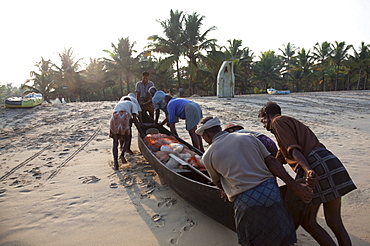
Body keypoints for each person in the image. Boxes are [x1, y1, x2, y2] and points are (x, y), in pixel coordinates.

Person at [195, 116, 313, 246]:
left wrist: (224, 190)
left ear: (206, 134)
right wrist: (295, 185)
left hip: (246, 201)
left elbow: (217, 181)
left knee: (252, 240)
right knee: (282, 236)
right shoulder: (248, 137)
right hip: (271, 192)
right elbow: (272, 162)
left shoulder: (208, 155)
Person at [258, 101, 357, 246]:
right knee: (334, 222)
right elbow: (281, 156)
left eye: (262, 121)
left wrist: (308, 169)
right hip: (328, 160)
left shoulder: (277, 122)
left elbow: (293, 149)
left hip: (314, 165)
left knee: (308, 221)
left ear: (267, 115)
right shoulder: (289, 123)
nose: (264, 126)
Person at [109, 97, 144, 170]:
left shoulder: (119, 104)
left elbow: (118, 114)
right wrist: (141, 132)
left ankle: (116, 165)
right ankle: (122, 154)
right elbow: (134, 118)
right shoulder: (133, 104)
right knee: (127, 139)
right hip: (124, 116)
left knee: (115, 142)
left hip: (114, 117)